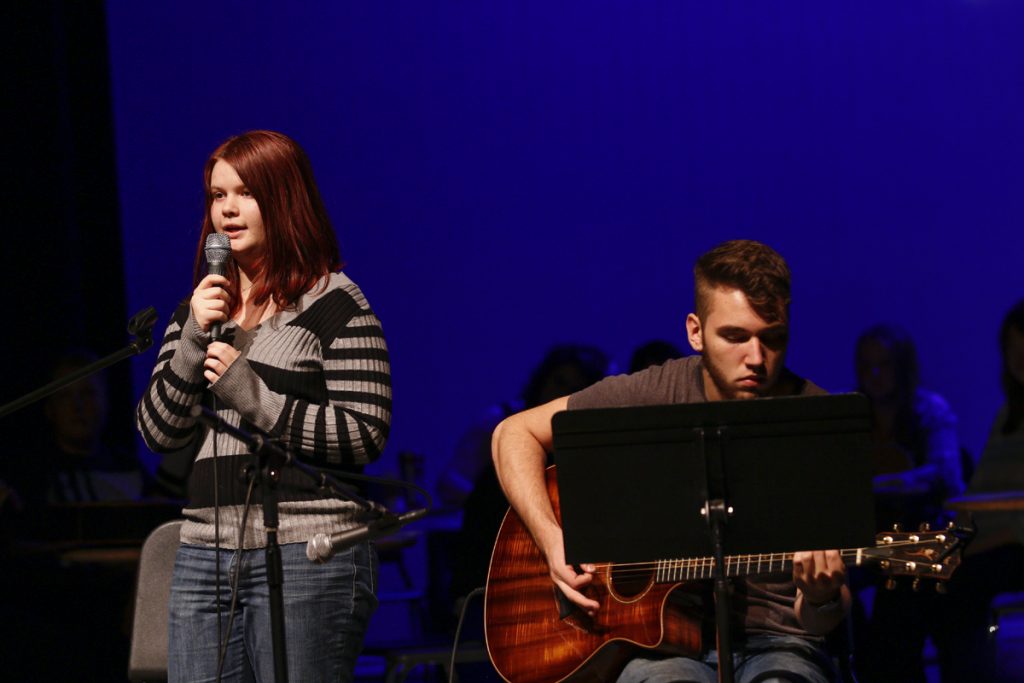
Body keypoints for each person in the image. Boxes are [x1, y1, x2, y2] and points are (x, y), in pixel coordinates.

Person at [492, 240, 848, 683]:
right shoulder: (652, 395)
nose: (756, 359)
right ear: (695, 331)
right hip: (655, 647)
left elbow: (822, 623)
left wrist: (821, 597)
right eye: (735, 337)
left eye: (773, 339)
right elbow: (513, 433)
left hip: (778, 644)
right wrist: (551, 540)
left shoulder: (815, 422)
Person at [136, 130, 391, 682]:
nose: (226, 209)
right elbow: (159, 433)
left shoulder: (337, 304)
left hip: (308, 551)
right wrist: (191, 340)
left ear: (284, 198)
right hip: (205, 549)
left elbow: (364, 432)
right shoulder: (200, 309)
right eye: (216, 194)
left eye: (245, 192)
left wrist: (250, 394)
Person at [850, 325, 964, 682]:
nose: (876, 375)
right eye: (868, 366)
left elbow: (946, 475)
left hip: (919, 539)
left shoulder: (929, 410)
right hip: (864, 538)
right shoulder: (852, 413)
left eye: (884, 365)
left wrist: (880, 486)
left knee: (898, 606)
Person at [941, 299, 1024, 681]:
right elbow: (980, 493)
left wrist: (976, 544)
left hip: (1013, 547)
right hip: (995, 544)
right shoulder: (1008, 414)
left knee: (962, 585)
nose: (1019, 357)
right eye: (1012, 348)